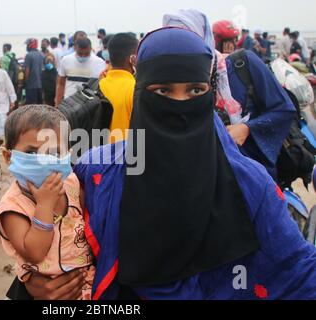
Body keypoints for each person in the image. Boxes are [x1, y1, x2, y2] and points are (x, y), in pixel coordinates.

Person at [18, 27, 316, 301]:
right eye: (163, 91)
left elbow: (298, 270)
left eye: (195, 91)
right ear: (142, 92)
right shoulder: (98, 172)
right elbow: (57, 242)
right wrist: (33, 282)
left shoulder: (248, 182)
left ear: (209, 93)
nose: (180, 106)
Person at [0, 105, 95, 300]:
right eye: (32, 153)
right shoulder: (13, 207)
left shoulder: (72, 183)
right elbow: (35, 253)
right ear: (8, 156)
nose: (44, 160)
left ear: (68, 155)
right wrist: (44, 205)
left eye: (54, 153)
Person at [213, 20, 296, 178]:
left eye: (231, 42)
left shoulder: (245, 63)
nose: (229, 47)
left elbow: (283, 109)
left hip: (257, 170)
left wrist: (247, 128)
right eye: (225, 43)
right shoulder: (194, 81)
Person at [99, 33, 138, 143]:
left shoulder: (98, 84)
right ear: (132, 58)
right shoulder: (135, 89)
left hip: (99, 154)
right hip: (125, 155)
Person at [55, 38, 106, 106]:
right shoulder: (66, 60)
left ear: (90, 49)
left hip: (89, 106)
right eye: (80, 53)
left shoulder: (100, 63)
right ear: (75, 48)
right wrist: (57, 104)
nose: (83, 56)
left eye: (86, 54)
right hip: (69, 104)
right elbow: (61, 84)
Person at [0, 54, 17, 138]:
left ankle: (2, 139)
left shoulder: (3, 73)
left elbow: (9, 87)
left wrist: (12, 100)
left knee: (2, 120)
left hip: (2, 100)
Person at [24, 38, 45, 105]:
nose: (26, 46)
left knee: (31, 106)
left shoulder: (28, 55)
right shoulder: (42, 54)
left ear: (30, 45)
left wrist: (25, 82)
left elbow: (27, 70)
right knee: (40, 105)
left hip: (31, 85)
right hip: (41, 85)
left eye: (27, 45)